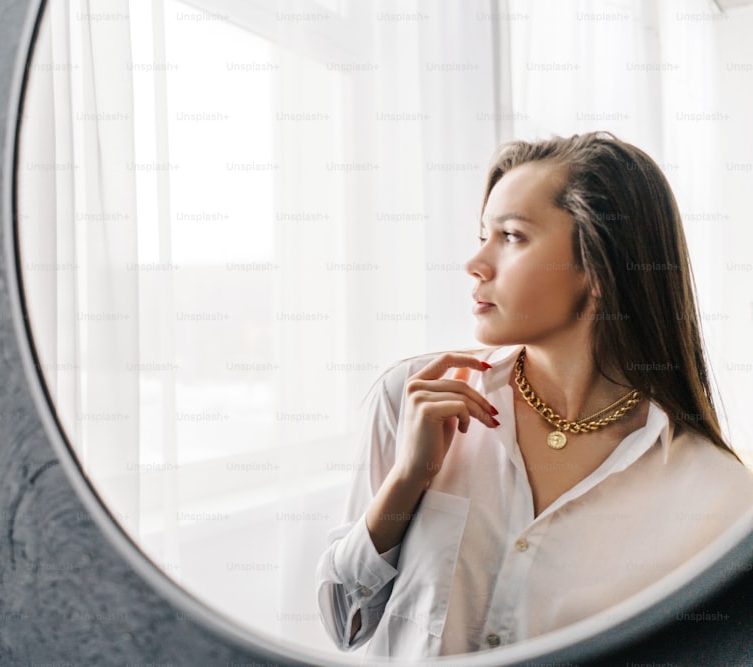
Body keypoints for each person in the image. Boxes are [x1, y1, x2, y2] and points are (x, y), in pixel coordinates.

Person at [315, 132, 753, 659]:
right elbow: (343, 623)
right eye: (483, 234)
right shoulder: (414, 400)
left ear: (597, 268)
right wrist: (407, 481)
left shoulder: (719, 498)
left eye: (513, 236)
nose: (476, 262)